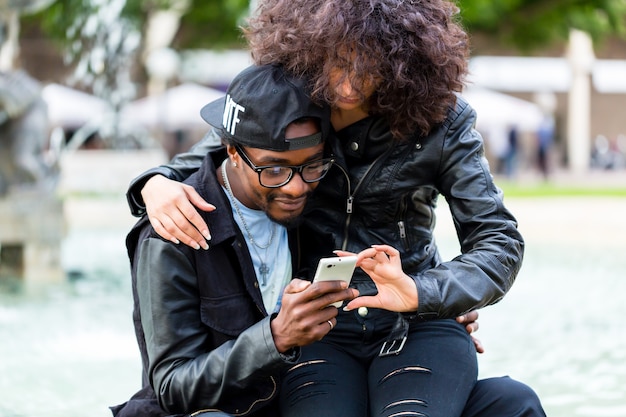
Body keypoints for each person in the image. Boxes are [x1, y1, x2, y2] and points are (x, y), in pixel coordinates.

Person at [126, 0, 546, 416]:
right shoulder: (294, 104)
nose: (347, 84)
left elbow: (499, 241)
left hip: (411, 321)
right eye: (336, 62)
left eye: (370, 65)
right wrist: (153, 184)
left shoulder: (442, 121)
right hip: (321, 325)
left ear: (404, 61)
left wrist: (427, 293)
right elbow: (218, 154)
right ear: (309, 51)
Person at [111, 64, 359, 417]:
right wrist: (275, 338)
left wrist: (427, 309)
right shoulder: (172, 232)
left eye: (311, 166)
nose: (296, 187)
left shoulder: (314, 207)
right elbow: (171, 387)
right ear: (231, 151)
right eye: (273, 169)